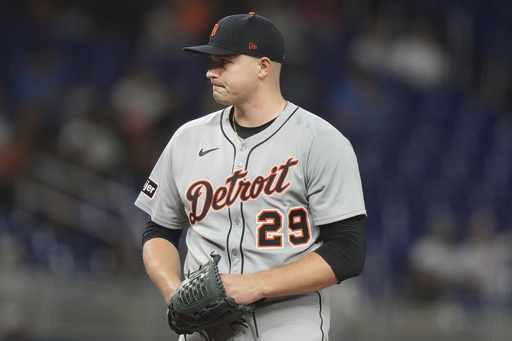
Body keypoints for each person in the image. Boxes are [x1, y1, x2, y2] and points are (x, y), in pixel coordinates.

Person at [134, 12, 367, 340]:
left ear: (263, 66)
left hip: (289, 322)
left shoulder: (321, 141)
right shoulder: (187, 139)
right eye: (212, 61)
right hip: (206, 327)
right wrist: (175, 296)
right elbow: (159, 230)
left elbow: (347, 251)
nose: (210, 71)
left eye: (224, 62)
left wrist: (255, 286)